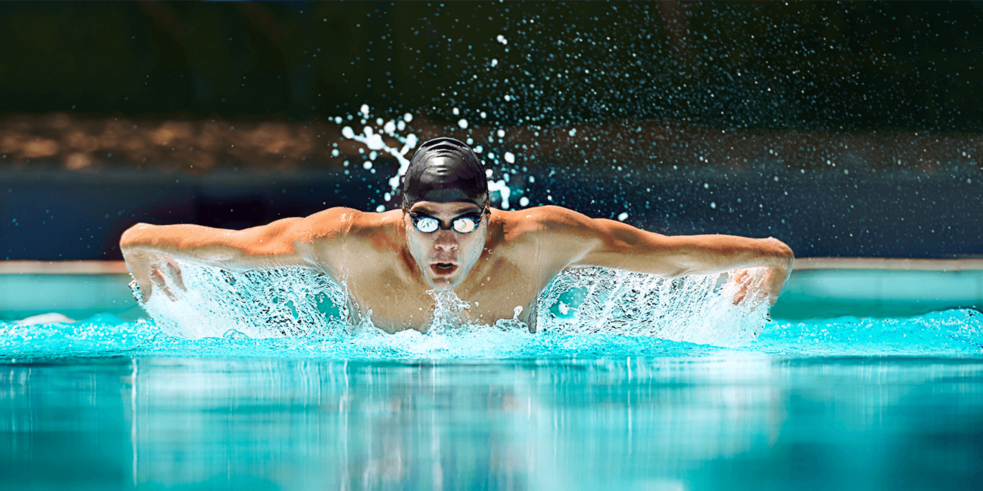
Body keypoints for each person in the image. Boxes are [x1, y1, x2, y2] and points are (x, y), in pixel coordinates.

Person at [120, 137, 794, 333]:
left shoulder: (539, 238)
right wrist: (141, 245)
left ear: (490, 217)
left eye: (465, 223)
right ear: (401, 215)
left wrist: (771, 262)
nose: (447, 242)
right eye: (428, 223)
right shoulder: (348, 239)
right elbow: (230, 249)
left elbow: (667, 258)